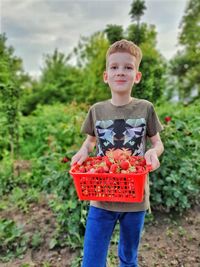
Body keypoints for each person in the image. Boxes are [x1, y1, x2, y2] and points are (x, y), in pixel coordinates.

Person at [71, 39, 164, 267]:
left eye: (128, 67)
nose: (120, 72)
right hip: (101, 196)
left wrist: (154, 153)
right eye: (114, 67)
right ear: (106, 76)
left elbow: (157, 143)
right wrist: (83, 152)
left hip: (135, 198)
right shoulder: (97, 110)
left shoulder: (146, 108)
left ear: (137, 76)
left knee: (128, 259)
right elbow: (90, 143)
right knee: (92, 261)